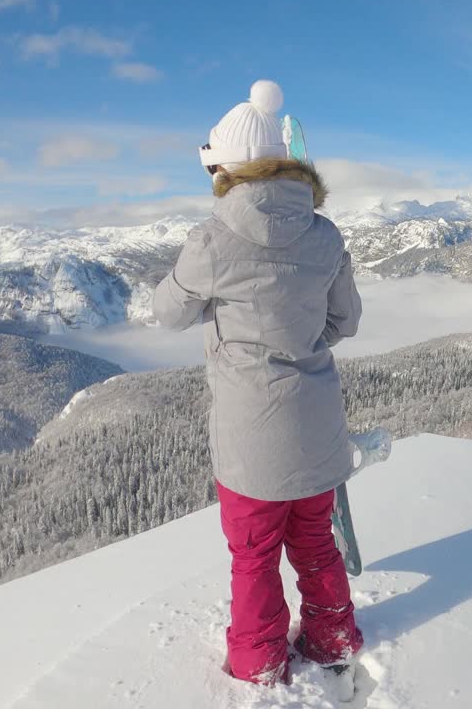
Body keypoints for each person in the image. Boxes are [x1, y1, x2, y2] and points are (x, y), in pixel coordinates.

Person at [152, 79, 364, 686]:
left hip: (250, 433)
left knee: (254, 555)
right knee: (316, 543)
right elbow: (345, 321)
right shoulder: (325, 235)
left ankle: (259, 657)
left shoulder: (212, 239)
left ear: (225, 169)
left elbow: (167, 312)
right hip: (318, 422)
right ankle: (333, 638)